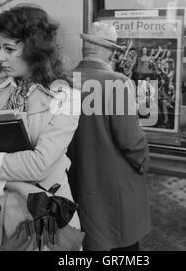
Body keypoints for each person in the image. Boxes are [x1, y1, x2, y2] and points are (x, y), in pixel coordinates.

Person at [0, 5, 82, 251]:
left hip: (43, 215)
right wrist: (21, 183)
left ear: (36, 50)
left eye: (9, 49)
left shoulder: (67, 97)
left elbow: (39, 164)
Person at [68, 21, 151, 251]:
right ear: (111, 52)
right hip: (114, 190)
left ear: (85, 47)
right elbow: (131, 140)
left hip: (76, 182)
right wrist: (144, 163)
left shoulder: (63, 82)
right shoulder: (118, 83)